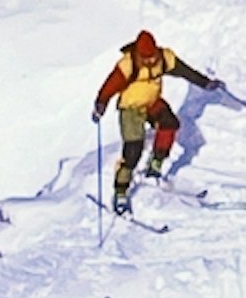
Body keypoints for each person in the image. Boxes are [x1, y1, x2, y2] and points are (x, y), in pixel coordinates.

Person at [92, 31, 221, 213]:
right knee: (133, 150)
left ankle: (155, 165)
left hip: (152, 102)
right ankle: (121, 191)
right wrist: (100, 104)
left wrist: (205, 83)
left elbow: (185, 71)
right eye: (146, 57)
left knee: (169, 124)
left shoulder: (164, 58)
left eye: (152, 56)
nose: (150, 61)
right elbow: (109, 86)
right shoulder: (128, 64)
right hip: (130, 108)